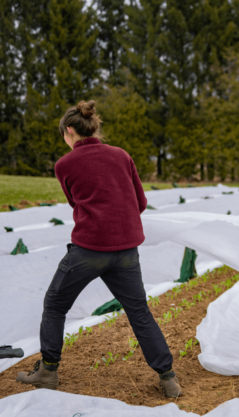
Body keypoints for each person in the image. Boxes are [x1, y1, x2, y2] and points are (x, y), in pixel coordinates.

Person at [15, 100, 182, 398]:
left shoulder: (64, 165)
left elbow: (74, 201)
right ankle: (168, 377)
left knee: (55, 304)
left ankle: (48, 371)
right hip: (127, 252)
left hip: (88, 251)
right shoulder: (121, 156)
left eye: (64, 137)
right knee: (139, 312)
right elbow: (140, 203)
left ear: (69, 131)